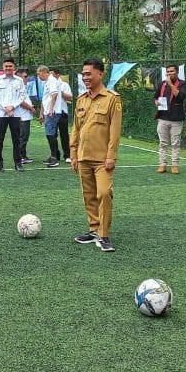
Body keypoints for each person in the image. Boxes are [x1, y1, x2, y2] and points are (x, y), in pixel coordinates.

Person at [70, 58, 122, 252]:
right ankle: (93, 229)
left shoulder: (112, 99)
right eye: (83, 74)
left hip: (102, 159)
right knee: (89, 195)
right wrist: (73, 153)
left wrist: (111, 155)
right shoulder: (81, 99)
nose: (85, 77)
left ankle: (104, 233)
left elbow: (115, 132)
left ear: (100, 74)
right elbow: (75, 128)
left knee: (104, 193)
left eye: (88, 74)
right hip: (83, 156)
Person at [153, 64, 186, 174]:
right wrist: (156, 102)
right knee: (163, 143)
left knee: (175, 143)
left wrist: (170, 84)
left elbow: (180, 96)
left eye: (171, 71)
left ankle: (175, 165)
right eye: (167, 72)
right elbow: (155, 97)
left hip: (176, 119)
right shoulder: (162, 84)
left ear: (177, 72)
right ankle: (162, 164)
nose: (169, 74)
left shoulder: (182, 84)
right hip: (163, 118)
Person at [0, 57, 26, 172]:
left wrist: (12, 107)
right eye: (6, 66)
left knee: (17, 140)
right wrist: (6, 108)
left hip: (15, 114)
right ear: (3, 68)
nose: (8, 68)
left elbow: (22, 96)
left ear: (14, 68)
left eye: (10, 66)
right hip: (1, 114)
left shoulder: (19, 80)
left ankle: (18, 163)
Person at [40, 65, 64, 167]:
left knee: (50, 134)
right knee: (49, 133)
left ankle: (54, 158)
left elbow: (54, 95)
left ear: (44, 72)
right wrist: (42, 112)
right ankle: (53, 155)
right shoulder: (47, 81)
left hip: (52, 112)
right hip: (48, 112)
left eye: (39, 73)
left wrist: (50, 109)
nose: (38, 76)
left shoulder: (51, 80)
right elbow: (45, 98)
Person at [51, 67, 73, 164]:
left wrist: (59, 90)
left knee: (64, 134)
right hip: (52, 113)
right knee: (52, 134)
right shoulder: (48, 84)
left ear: (57, 74)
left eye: (52, 74)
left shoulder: (64, 84)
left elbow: (70, 97)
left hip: (62, 112)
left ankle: (67, 155)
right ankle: (55, 155)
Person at [18, 66, 38, 164]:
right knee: (22, 137)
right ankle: (20, 156)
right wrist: (31, 108)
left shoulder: (24, 87)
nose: (27, 78)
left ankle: (23, 155)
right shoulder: (19, 88)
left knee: (24, 137)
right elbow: (21, 102)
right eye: (25, 77)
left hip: (25, 116)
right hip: (22, 117)